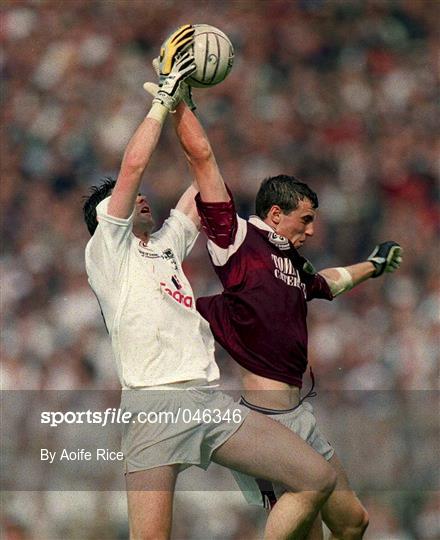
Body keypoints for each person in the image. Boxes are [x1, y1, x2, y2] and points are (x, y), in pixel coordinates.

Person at [84, 27, 338, 540]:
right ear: (103, 218)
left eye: (136, 197)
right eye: (124, 201)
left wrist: (185, 104)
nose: (139, 200)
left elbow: (203, 184)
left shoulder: (163, 245)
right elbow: (132, 165)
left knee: (316, 478)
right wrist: (161, 97)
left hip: (206, 401)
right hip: (154, 404)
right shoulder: (107, 250)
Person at [165, 39, 402, 538]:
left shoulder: (290, 261)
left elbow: (328, 284)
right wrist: (177, 98)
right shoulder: (238, 240)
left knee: (353, 522)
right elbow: (203, 160)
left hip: (301, 412)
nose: (312, 230)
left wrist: (373, 266)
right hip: (267, 419)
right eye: (306, 219)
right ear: (276, 214)